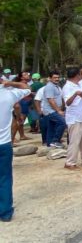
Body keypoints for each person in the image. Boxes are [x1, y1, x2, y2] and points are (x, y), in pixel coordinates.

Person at [0, 78, 30, 222]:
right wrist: (11, 83)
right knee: (5, 178)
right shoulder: (9, 94)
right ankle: (5, 212)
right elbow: (26, 87)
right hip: (4, 144)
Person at [41, 71, 66, 148]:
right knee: (62, 122)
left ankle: (50, 143)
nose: (57, 79)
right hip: (50, 110)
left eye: (58, 77)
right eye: (55, 77)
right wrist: (59, 111)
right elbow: (51, 100)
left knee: (51, 126)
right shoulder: (49, 87)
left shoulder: (57, 86)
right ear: (50, 78)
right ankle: (55, 141)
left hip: (53, 110)